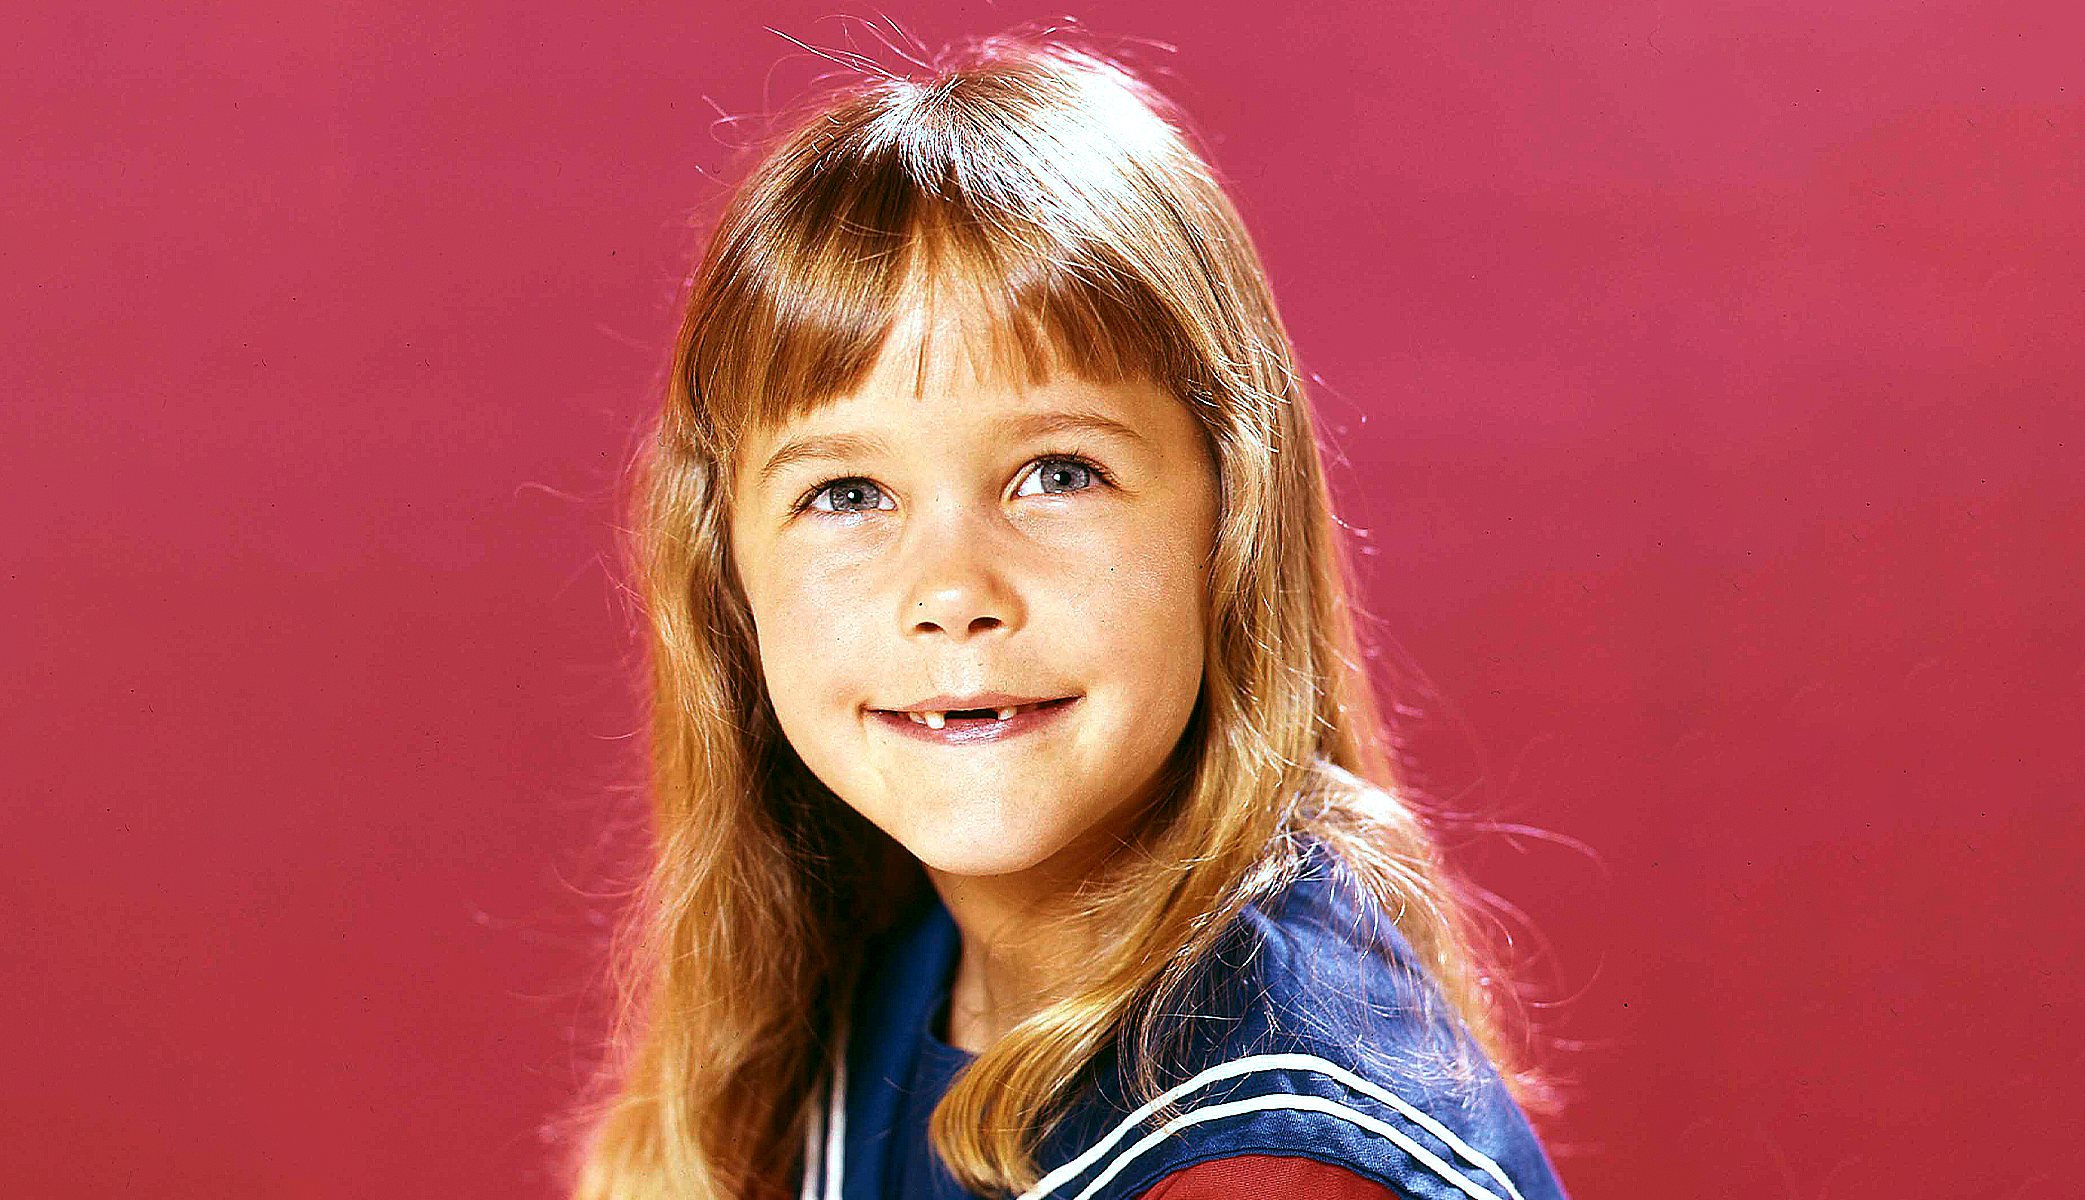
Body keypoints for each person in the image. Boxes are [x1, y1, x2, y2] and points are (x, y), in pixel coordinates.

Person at [558, 31, 1573, 1200]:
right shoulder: (885, 967)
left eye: (1058, 473)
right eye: (846, 493)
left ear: (1230, 522)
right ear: (727, 579)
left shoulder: (1266, 1161)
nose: (951, 593)